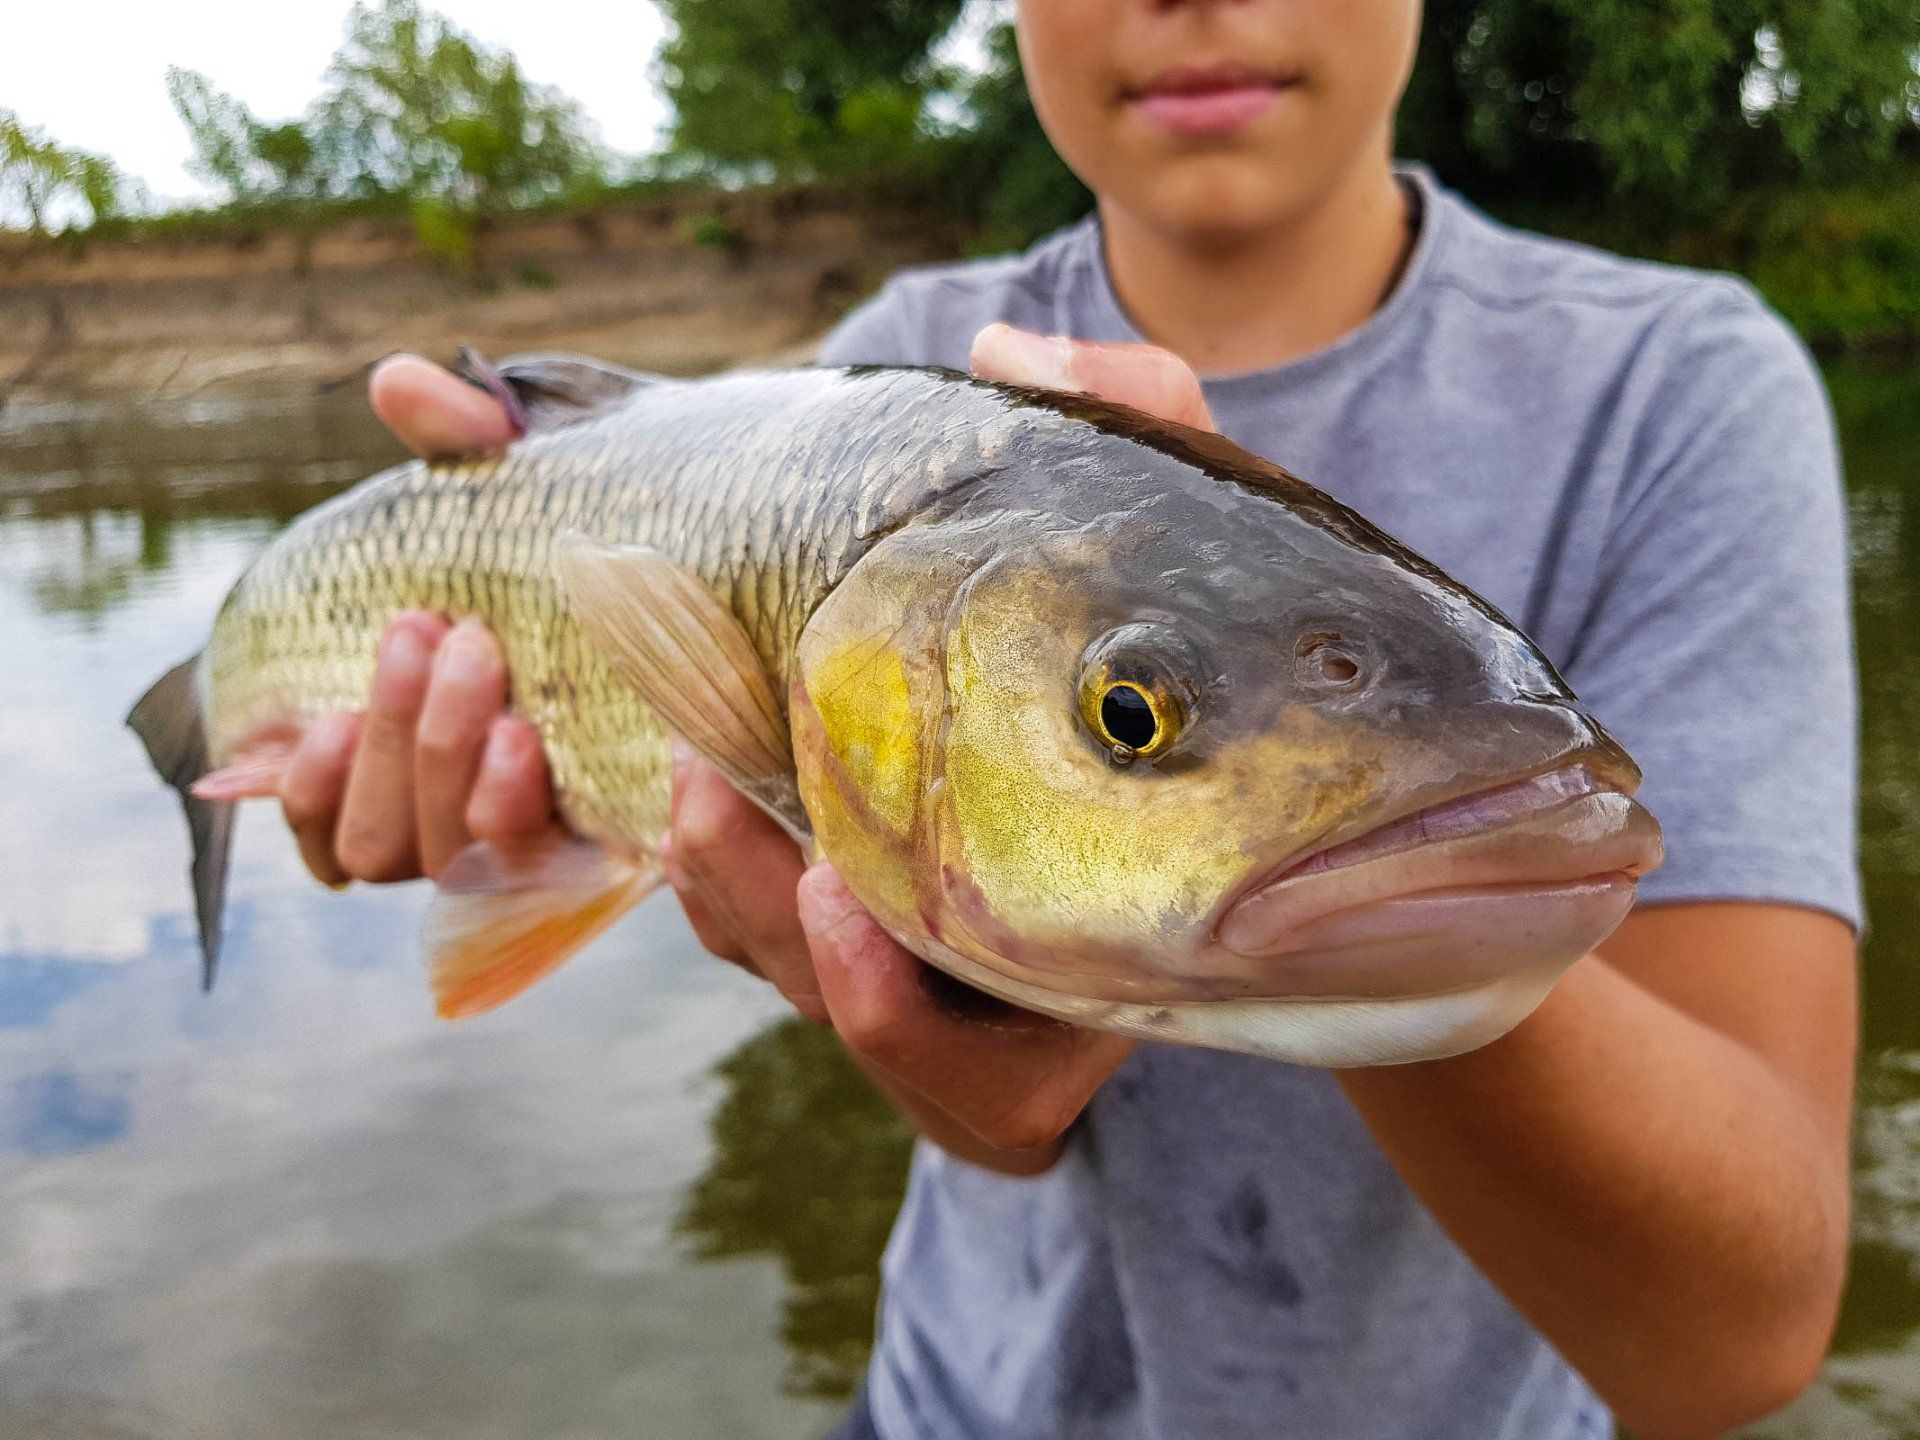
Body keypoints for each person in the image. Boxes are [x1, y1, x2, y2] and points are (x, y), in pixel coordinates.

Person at [274, 2, 1862, 1435]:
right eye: (1136, 708)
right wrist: (943, 1033)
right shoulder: (886, 361)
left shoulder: (1684, 392)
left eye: (1127, 711)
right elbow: (986, 1117)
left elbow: (1732, 1346)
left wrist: (1398, 920)